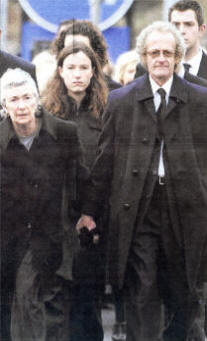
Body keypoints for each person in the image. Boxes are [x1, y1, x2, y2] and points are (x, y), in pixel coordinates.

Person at [77, 21, 207, 341]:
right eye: (154, 53)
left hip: (185, 209)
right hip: (138, 210)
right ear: (143, 57)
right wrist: (89, 211)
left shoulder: (200, 99)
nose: (160, 58)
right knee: (142, 289)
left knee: (183, 294)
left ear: (177, 57)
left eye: (167, 52)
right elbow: (104, 160)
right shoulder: (122, 100)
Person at [0, 67, 88, 341]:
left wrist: (84, 216)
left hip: (51, 237)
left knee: (33, 299)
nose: (22, 105)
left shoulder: (63, 132)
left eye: (27, 97)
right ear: (4, 105)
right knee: (18, 307)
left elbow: (81, 181)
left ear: (38, 99)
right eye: (14, 100)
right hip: (8, 238)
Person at [42, 43, 108, 341]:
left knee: (88, 300)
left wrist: (91, 212)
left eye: (84, 68)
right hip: (57, 217)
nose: (78, 74)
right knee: (57, 299)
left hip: (96, 218)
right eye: (71, 68)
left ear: (94, 72)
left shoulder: (107, 112)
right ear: (60, 71)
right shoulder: (46, 112)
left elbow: (108, 165)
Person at [52, 19, 121, 91]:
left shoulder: (115, 93)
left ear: (96, 52)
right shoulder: (51, 92)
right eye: (69, 48)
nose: (76, 53)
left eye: (83, 48)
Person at [168, 0, 207, 79]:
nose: (181, 31)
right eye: (176, 25)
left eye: (188, 24)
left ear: (201, 30)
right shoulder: (155, 68)